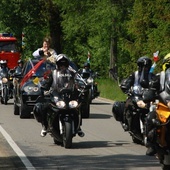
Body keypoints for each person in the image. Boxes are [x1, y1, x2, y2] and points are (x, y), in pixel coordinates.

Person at [33, 54, 84, 137]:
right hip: (56, 96)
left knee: (78, 107)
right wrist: (43, 89)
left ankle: (78, 127)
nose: (62, 66)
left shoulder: (72, 74)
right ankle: (45, 126)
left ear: (67, 65)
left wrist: (81, 87)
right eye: (61, 64)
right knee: (44, 107)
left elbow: (77, 82)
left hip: (68, 96)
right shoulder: (53, 74)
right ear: (57, 65)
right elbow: (47, 83)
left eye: (64, 64)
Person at [144, 53, 170, 156]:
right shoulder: (160, 77)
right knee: (151, 117)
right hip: (164, 107)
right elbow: (152, 89)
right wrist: (150, 94)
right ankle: (152, 145)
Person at [119, 56, 153, 132]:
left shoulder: (151, 76)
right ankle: (125, 122)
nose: (146, 68)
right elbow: (127, 82)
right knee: (127, 104)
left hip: (148, 97)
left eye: (147, 67)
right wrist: (126, 87)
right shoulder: (135, 75)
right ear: (140, 66)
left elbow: (157, 85)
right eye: (144, 66)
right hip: (135, 96)